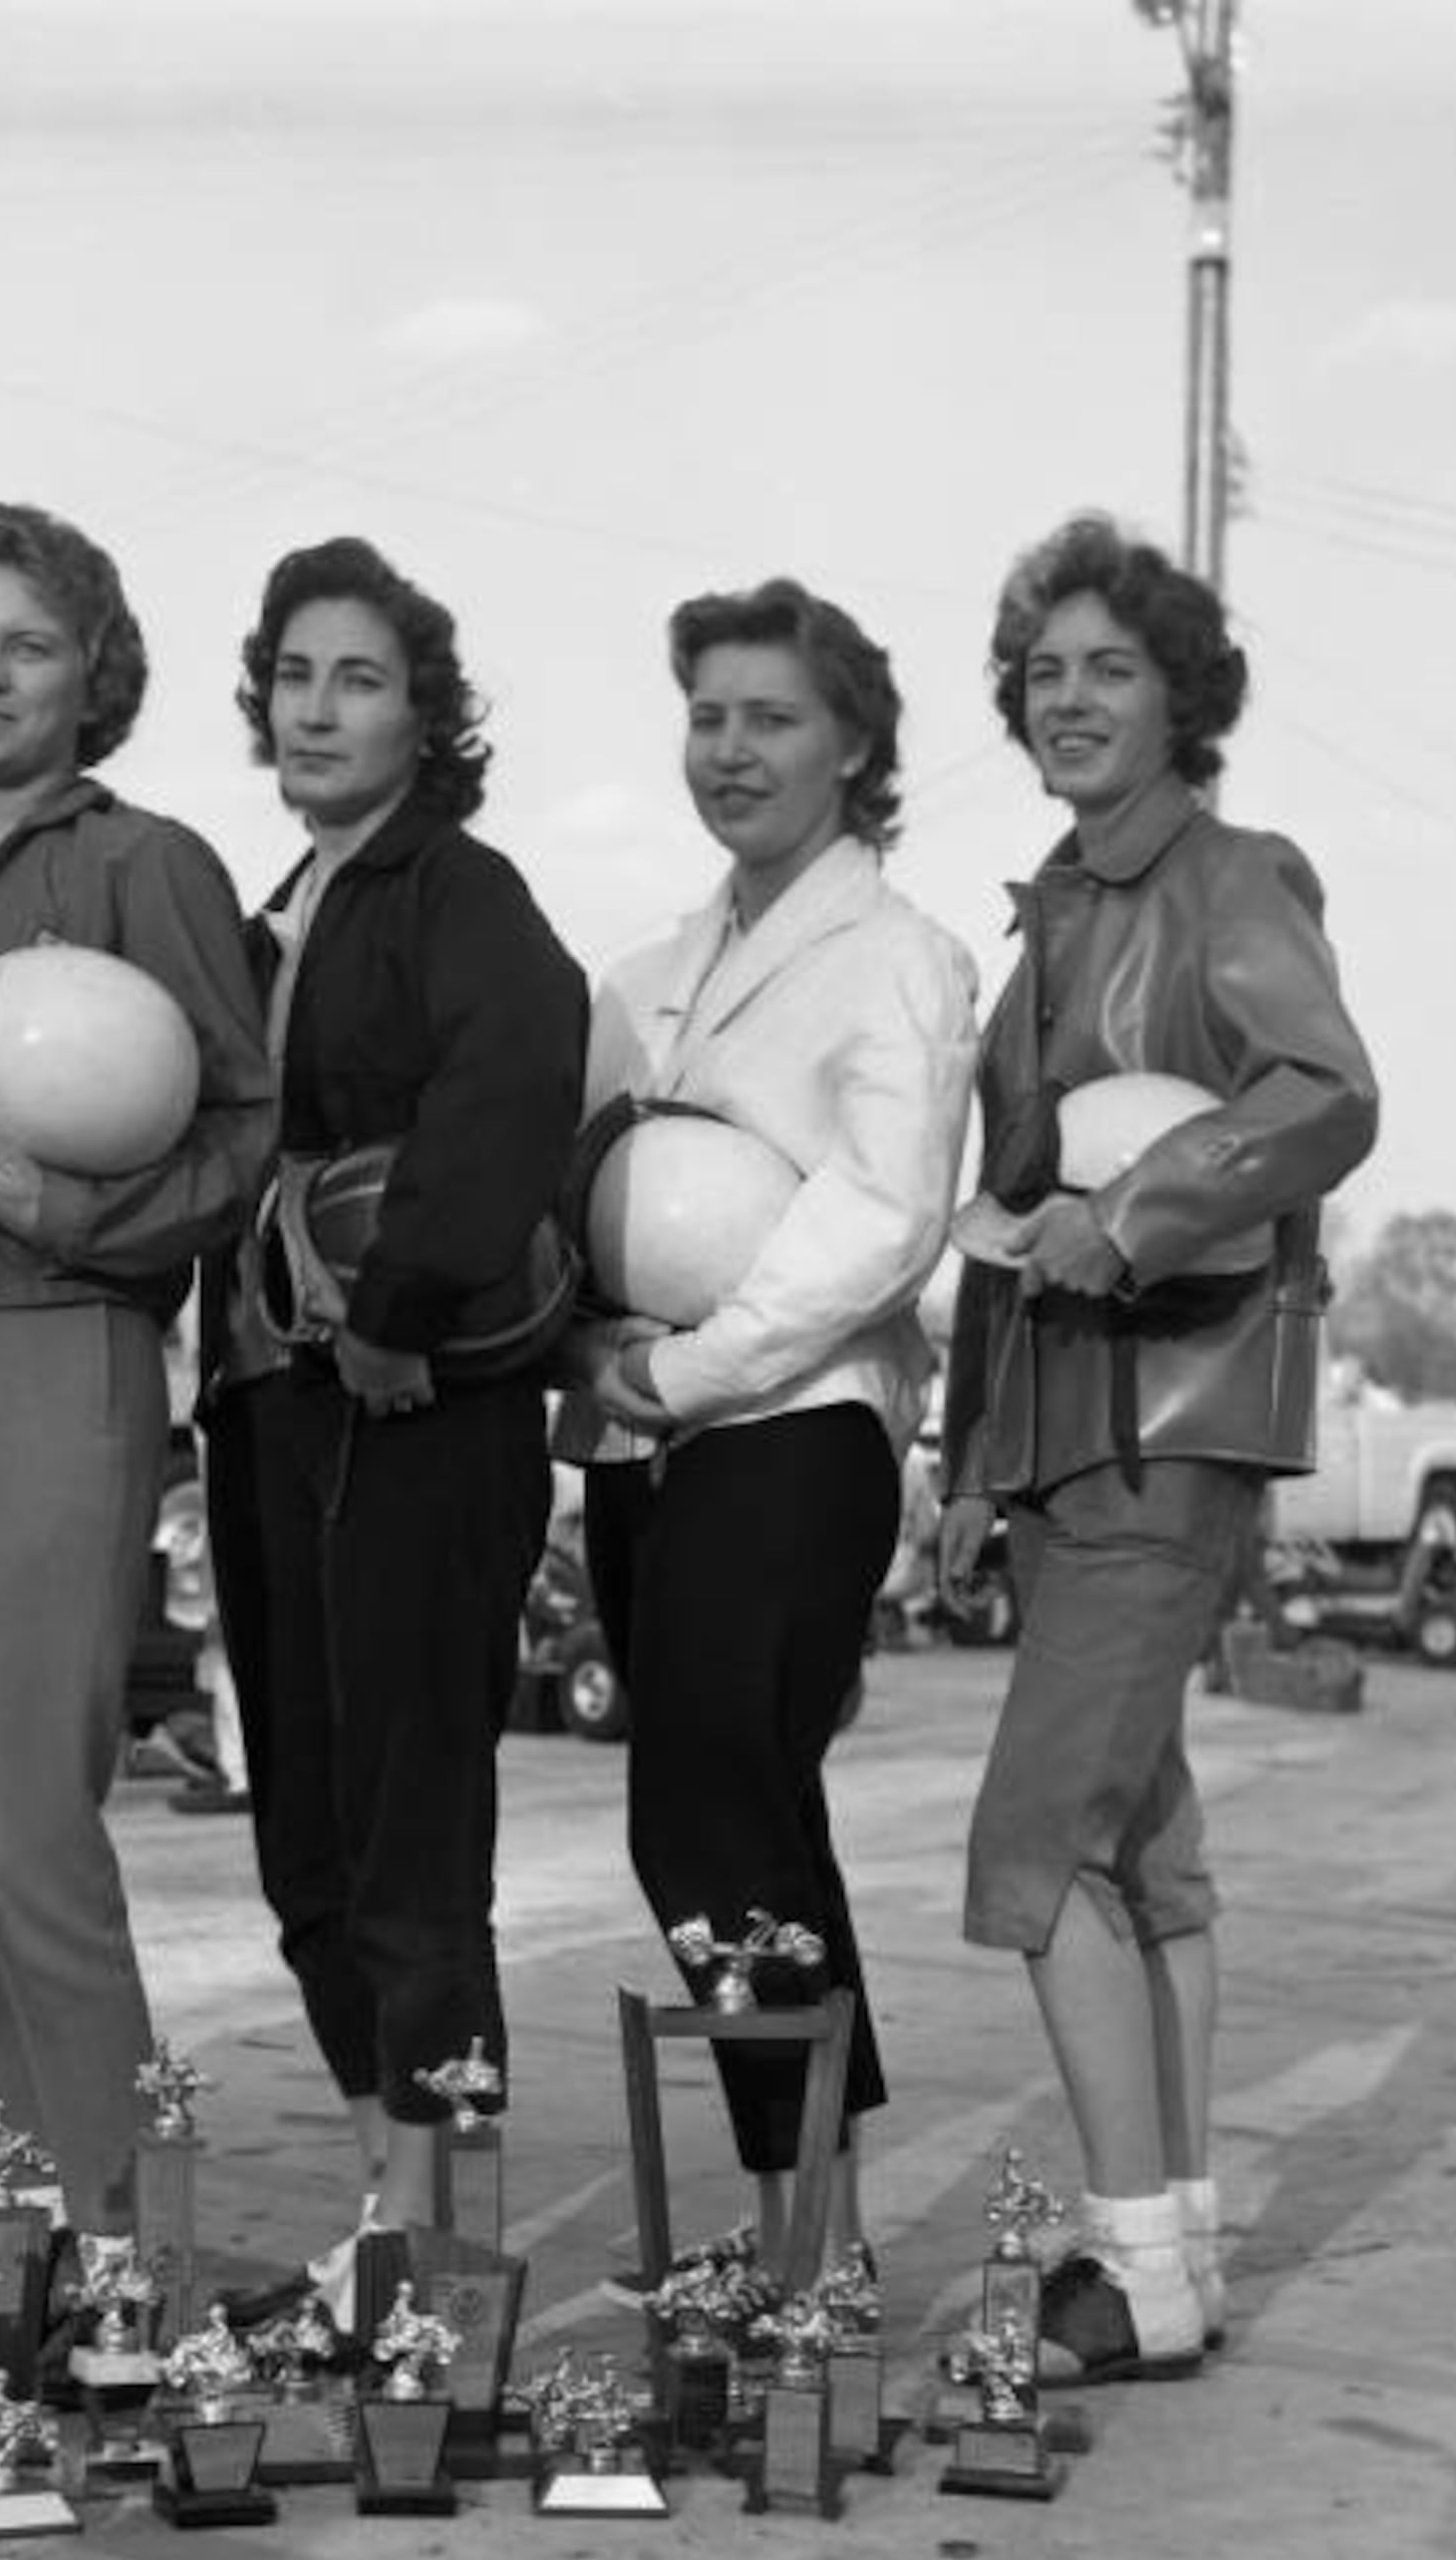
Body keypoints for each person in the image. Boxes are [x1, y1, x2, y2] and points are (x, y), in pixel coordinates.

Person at [932, 513, 1379, 2381]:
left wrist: (1138, 1218)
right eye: (1043, 673)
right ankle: (1176, 2246)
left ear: (1183, 695)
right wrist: (969, 1463)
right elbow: (1008, 1200)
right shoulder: (1052, 909)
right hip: (1059, 1442)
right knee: (1142, 1850)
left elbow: (1325, 1093)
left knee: (1035, 1851)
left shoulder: (1231, 881)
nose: (1069, 699)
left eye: (1110, 668)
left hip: (1174, 1424)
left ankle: (1122, 2263)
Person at [0, 503, 272, 2229]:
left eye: (28, 643)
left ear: (94, 670)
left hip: (54, 1351)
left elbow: (244, 1127)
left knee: (30, 1823)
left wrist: (84, 1215)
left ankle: (122, 2243)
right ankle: (34, 2206)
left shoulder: (143, 863)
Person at [568, 579, 978, 2275]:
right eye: (709, 715)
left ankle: (803, 2242)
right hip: (641, 1432)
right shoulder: (646, 973)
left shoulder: (901, 960)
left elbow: (883, 1221)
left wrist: (694, 1368)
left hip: (796, 1423)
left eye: (774, 718)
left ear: (856, 745)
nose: (732, 750)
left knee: (706, 1812)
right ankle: (815, 2237)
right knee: (749, 1816)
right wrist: (599, 1346)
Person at [200, 535, 584, 2226]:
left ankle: (445, 2230)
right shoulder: (269, 916)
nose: (316, 708)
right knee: (306, 1838)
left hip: (416, 1408)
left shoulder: (460, 891)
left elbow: (517, 1073)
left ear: (425, 715)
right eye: (293, 675)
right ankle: (392, 2195)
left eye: (357, 678)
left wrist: (400, 1304)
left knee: (412, 1836)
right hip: (267, 1406)